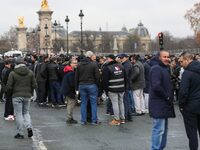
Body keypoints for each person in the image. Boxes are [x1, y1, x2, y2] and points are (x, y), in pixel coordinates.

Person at [149, 50, 175, 150]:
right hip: (159, 103)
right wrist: (167, 96)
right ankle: (155, 148)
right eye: (164, 57)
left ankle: (160, 148)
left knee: (163, 130)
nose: (167, 59)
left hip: (163, 103)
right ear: (159, 57)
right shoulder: (156, 68)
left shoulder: (163, 68)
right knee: (159, 129)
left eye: (168, 57)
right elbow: (156, 86)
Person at [6, 57, 37, 139]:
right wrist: (31, 93)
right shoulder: (30, 72)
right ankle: (29, 127)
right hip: (27, 95)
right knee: (26, 113)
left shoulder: (13, 73)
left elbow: (9, 86)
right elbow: (34, 85)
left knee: (18, 114)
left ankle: (20, 133)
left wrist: (9, 93)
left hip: (16, 96)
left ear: (16, 64)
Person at [178, 52, 200, 150]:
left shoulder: (187, 73)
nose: (181, 64)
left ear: (188, 60)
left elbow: (183, 92)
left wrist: (181, 105)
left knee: (192, 133)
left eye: (182, 61)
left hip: (190, 107)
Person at [75, 51, 100, 125]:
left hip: (82, 85)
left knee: (83, 103)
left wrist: (76, 88)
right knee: (93, 103)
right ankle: (94, 120)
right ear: (91, 56)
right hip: (92, 85)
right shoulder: (93, 64)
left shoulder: (79, 65)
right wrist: (97, 85)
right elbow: (97, 77)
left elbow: (76, 77)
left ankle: (83, 120)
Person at [102, 54, 125, 125]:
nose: (106, 60)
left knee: (115, 104)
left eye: (107, 59)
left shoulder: (107, 67)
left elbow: (105, 81)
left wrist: (106, 90)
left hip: (112, 89)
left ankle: (116, 119)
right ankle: (122, 119)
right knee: (121, 103)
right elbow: (126, 77)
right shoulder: (121, 66)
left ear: (110, 59)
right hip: (121, 87)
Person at [61, 59, 78, 124]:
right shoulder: (71, 72)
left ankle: (70, 117)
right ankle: (69, 118)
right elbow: (72, 83)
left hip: (66, 89)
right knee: (71, 104)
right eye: (74, 63)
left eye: (76, 63)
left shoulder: (67, 70)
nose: (75, 64)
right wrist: (75, 90)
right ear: (70, 64)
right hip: (69, 90)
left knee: (70, 103)